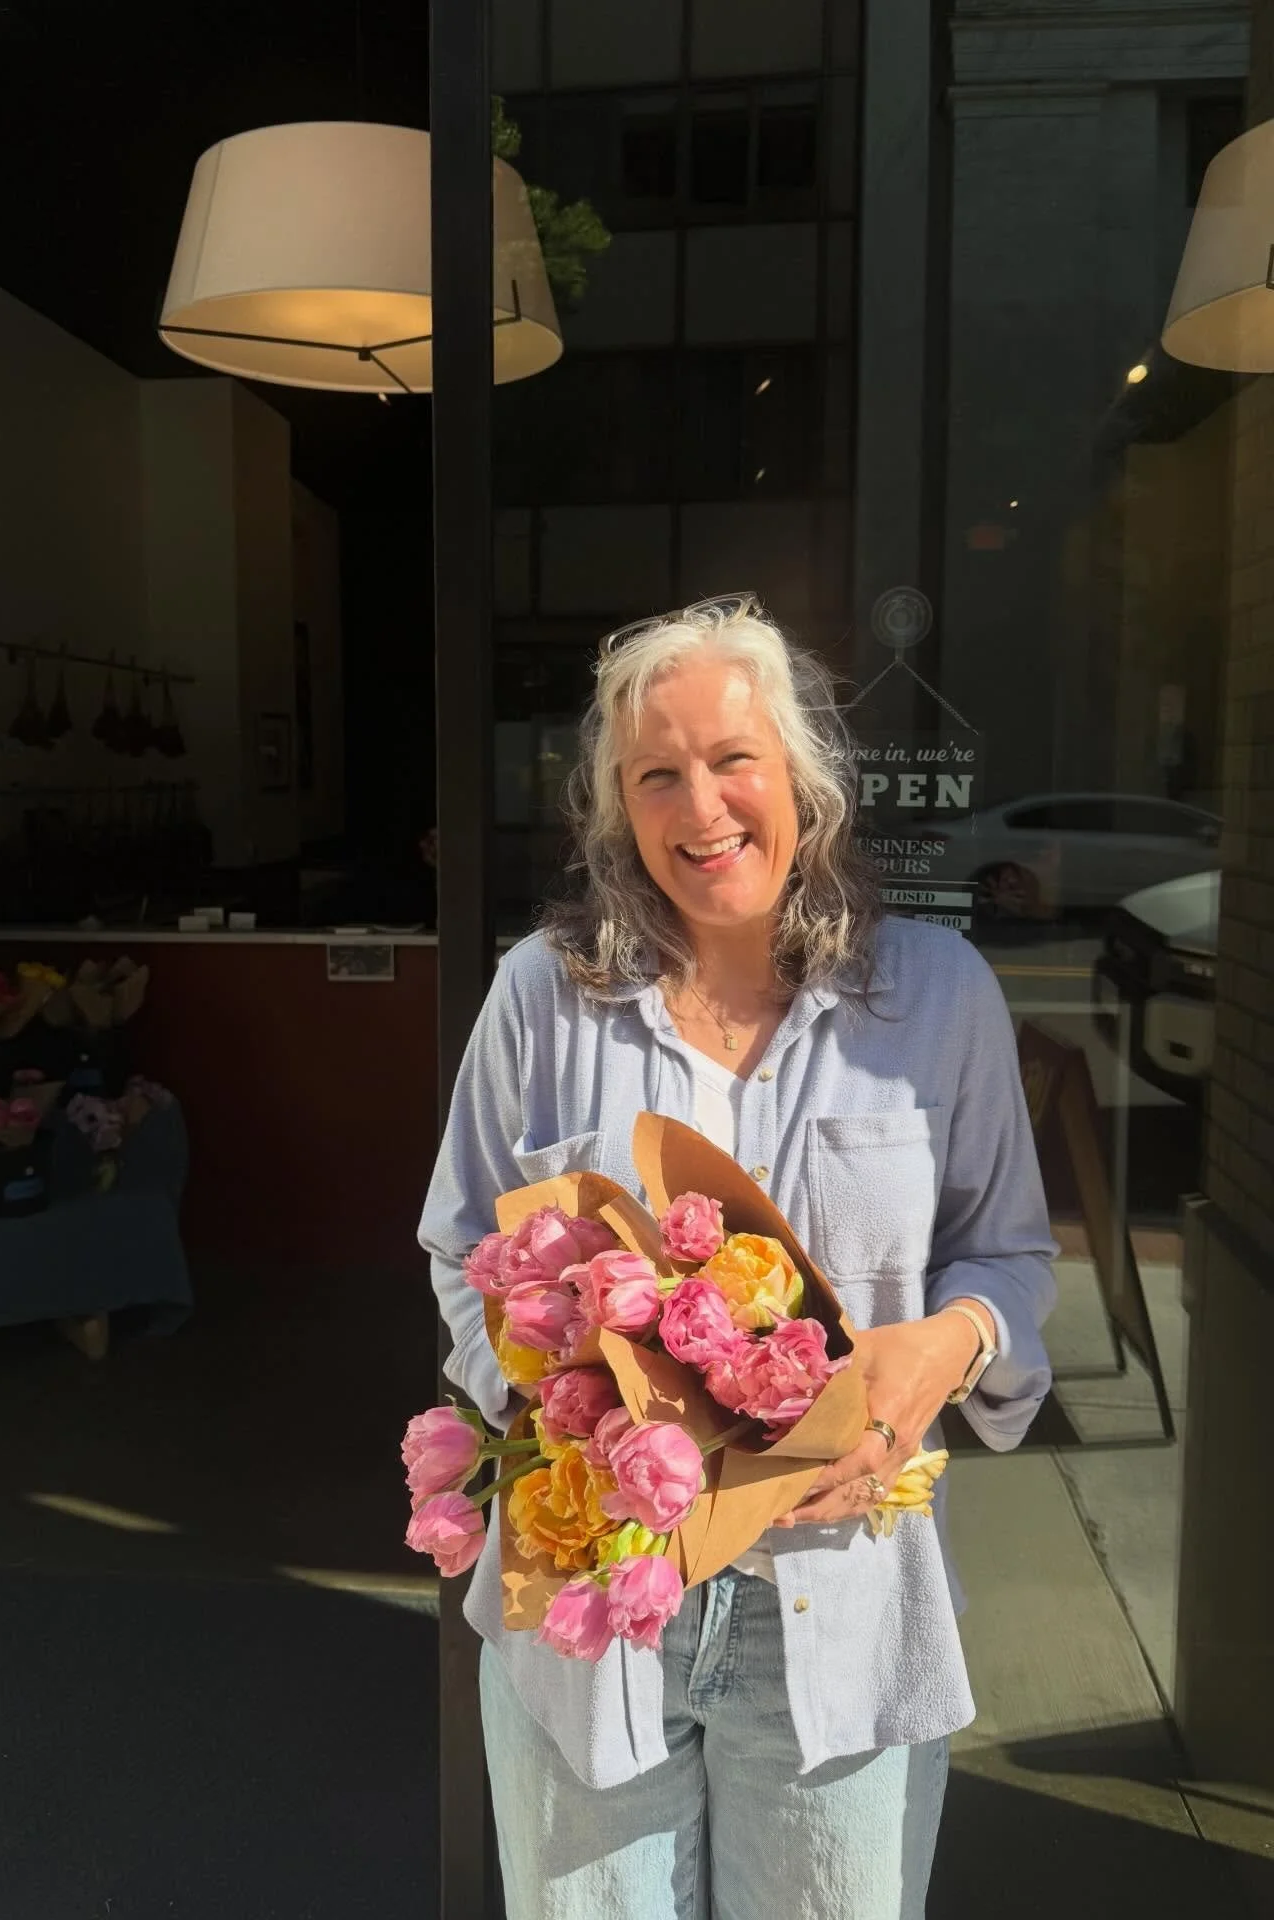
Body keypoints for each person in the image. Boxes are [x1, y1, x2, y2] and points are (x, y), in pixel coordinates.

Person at [418, 595, 1057, 1920]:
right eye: (657, 775)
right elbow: (463, 1246)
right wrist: (559, 1401)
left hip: (842, 1608)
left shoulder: (937, 1000)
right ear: (619, 809)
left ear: (804, 783)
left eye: (733, 760)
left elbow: (1005, 1256)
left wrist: (942, 1350)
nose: (701, 808)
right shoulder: (543, 995)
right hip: (597, 1614)